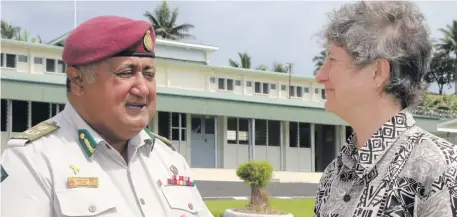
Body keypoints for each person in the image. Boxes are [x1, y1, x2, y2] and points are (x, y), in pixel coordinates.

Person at [0, 15, 213, 217]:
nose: (143, 89)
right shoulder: (33, 160)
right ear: (78, 81)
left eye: (149, 75)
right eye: (126, 73)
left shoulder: (169, 159)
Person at [313, 1, 457, 217]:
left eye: (332, 60)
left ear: (378, 73)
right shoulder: (333, 175)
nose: (320, 76)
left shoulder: (439, 167)